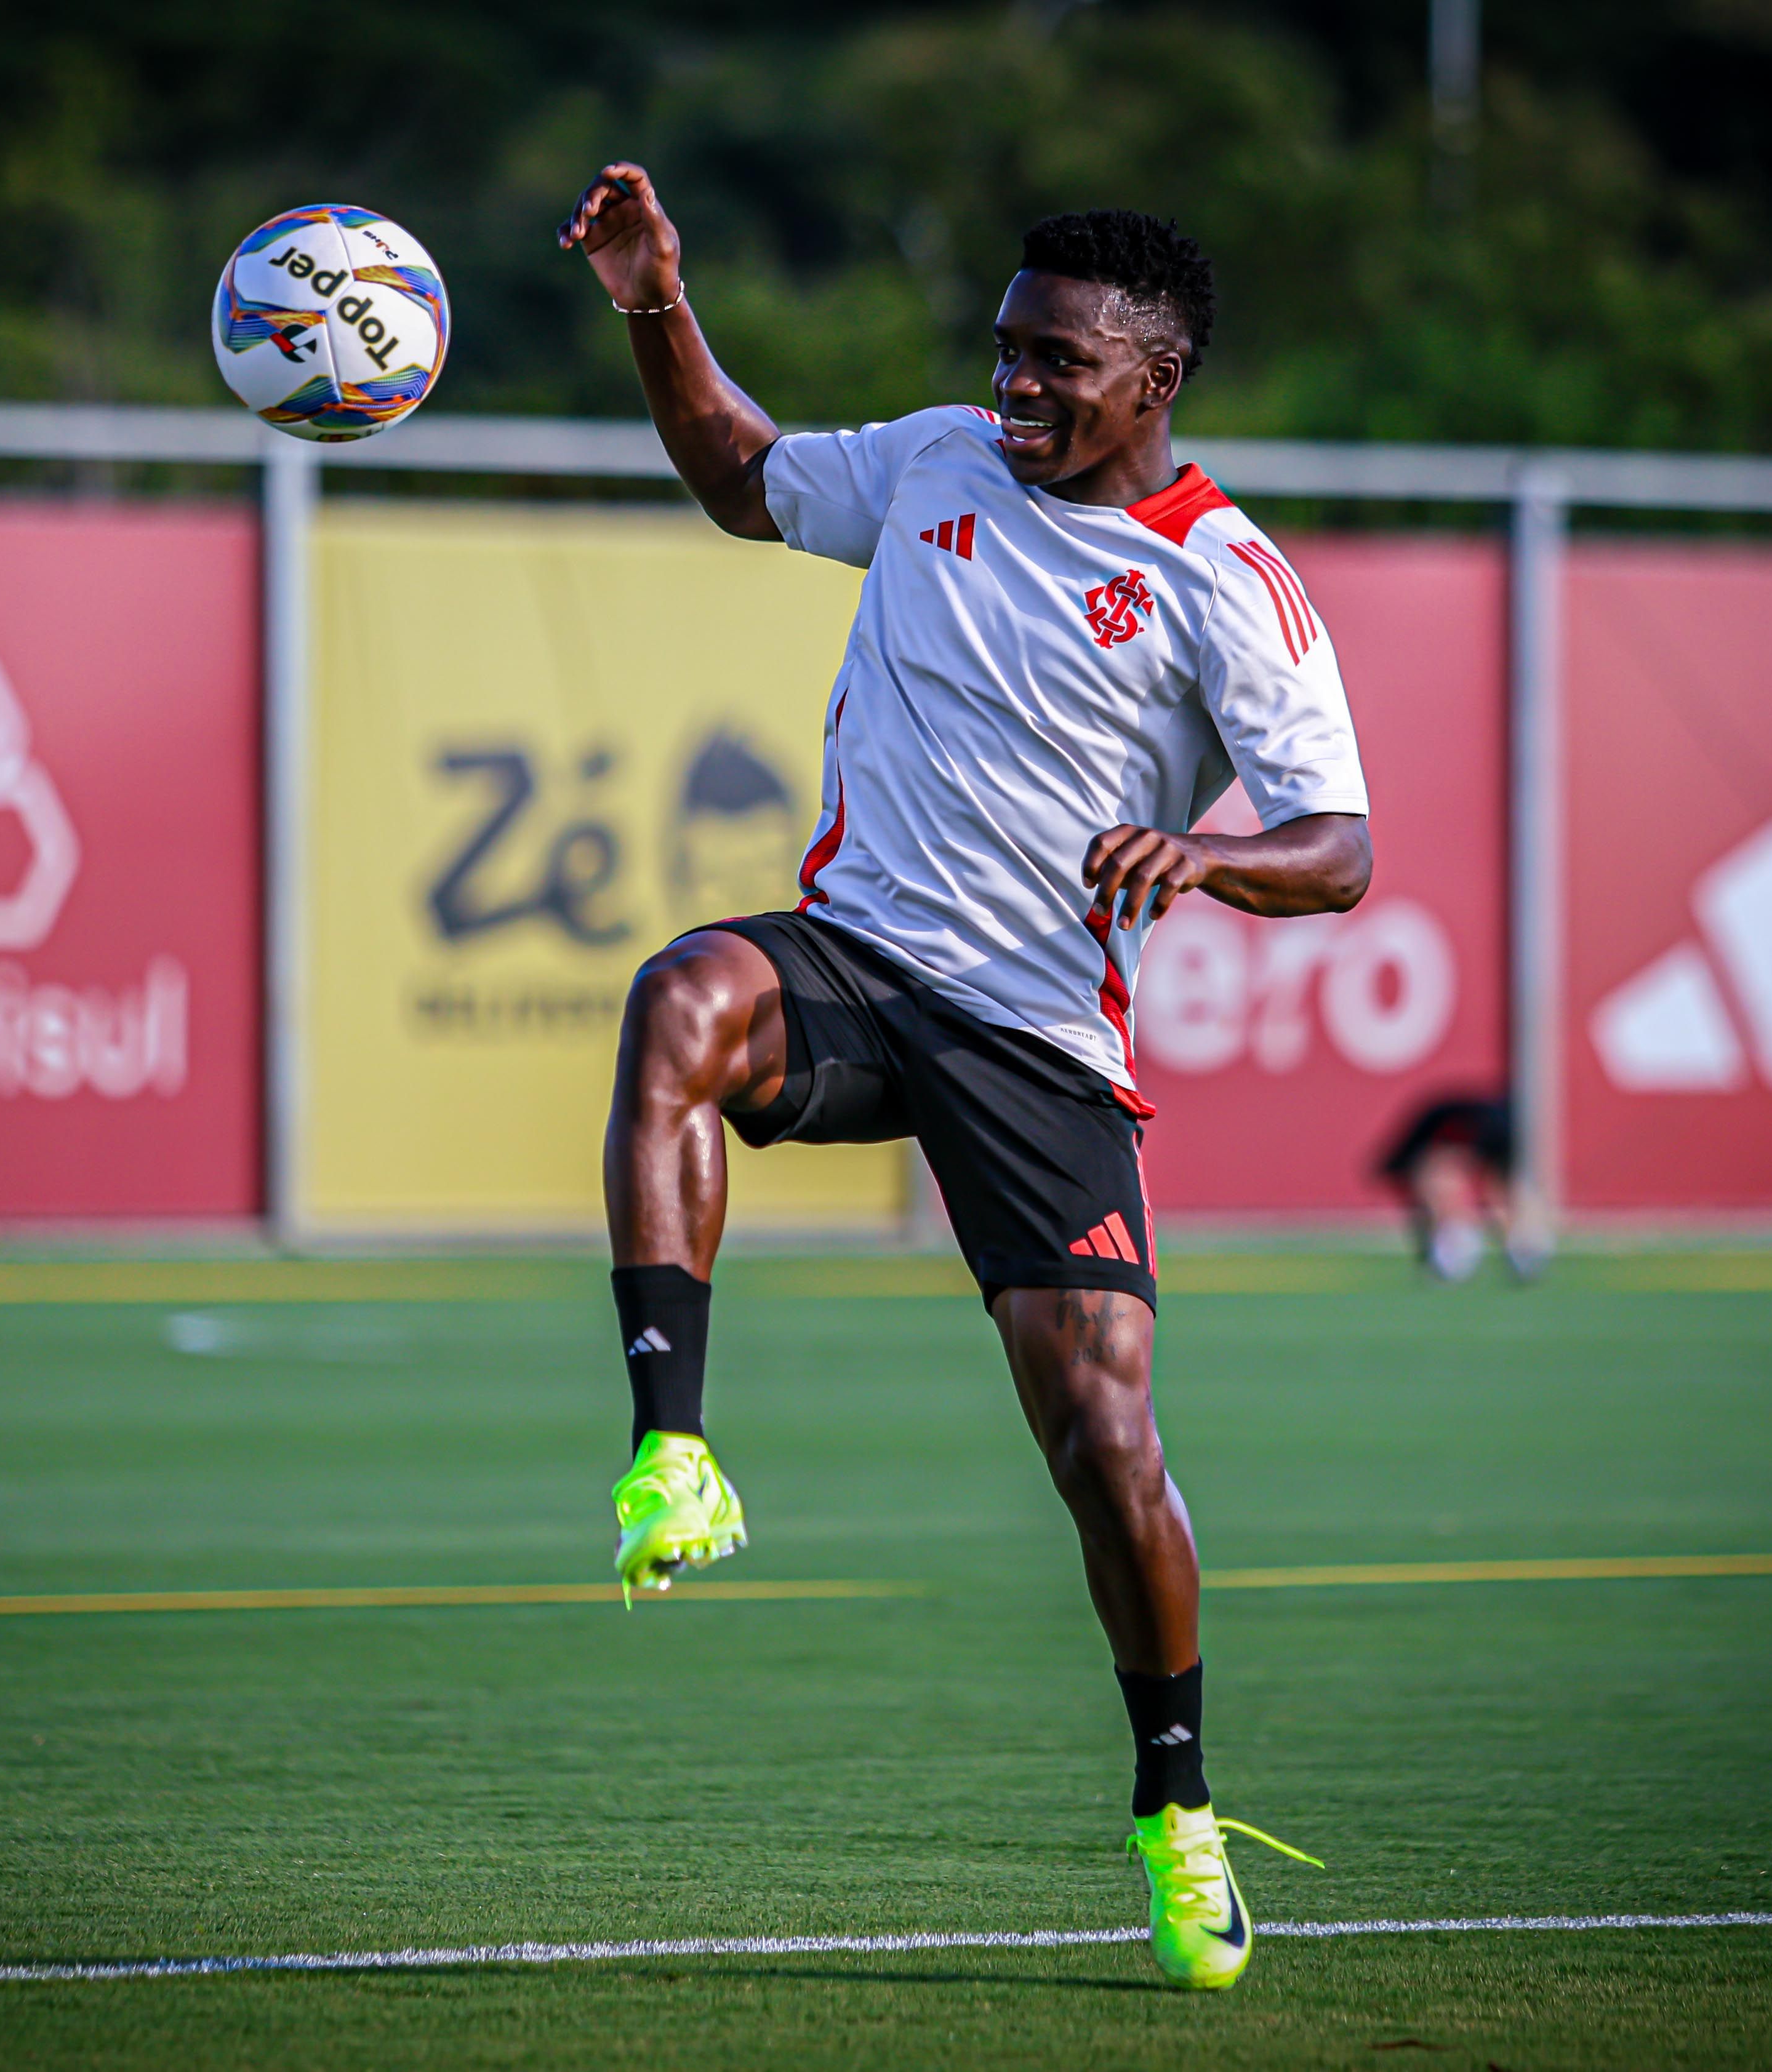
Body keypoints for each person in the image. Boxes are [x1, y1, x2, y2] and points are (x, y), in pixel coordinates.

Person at [560, 163, 1371, 1990]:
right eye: (1005, 348)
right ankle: (671, 1455)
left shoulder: (1226, 580)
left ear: (1153, 382)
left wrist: (1210, 860)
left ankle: (1178, 1811)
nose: (1013, 384)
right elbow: (742, 479)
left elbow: (1338, 850)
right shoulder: (937, 460)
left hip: (1034, 1039)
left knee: (1104, 1445)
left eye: (1056, 362)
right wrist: (651, 303)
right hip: (858, 965)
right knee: (682, 996)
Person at [1374, 1092, 1550, 1283]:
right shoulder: (1429, 1132)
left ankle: (1467, 1247)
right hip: (1496, 1127)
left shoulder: (1425, 1140)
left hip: (1485, 1128)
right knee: (1497, 1198)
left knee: (1444, 1188)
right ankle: (1522, 1249)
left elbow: (1442, 1178)